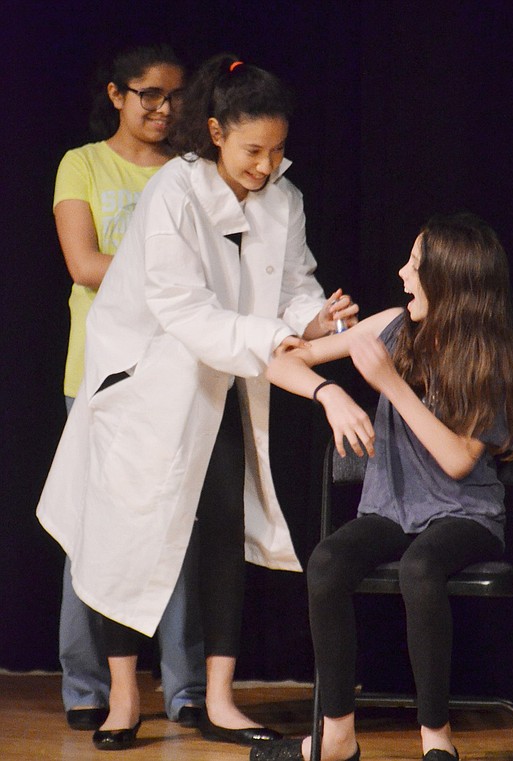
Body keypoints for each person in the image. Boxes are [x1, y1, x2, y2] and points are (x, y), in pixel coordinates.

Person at [37, 52, 359, 751]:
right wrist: (281, 338)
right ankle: (123, 697)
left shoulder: (284, 197)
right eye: (252, 150)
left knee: (219, 534)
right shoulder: (173, 194)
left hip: (225, 383)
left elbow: (294, 282)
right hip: (146, 381)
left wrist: (315, 319)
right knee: (128, 535)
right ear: (214, 131)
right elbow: (184, 310)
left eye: (277, 150)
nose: (266, 165)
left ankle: (217, 697)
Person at [251, 212, 513, 761]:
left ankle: (438, 741)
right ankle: (336, 738)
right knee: (328, 563)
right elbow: (280, 363)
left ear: (449, 281)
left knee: (421, 567)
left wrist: (388, 383)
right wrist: (329, 395)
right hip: (391, 510)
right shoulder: (391, 326)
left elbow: (458, 460)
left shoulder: (492, 356)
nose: (403, 273)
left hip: (465, 515)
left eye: (415, 264)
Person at [52, 44, 207, 731]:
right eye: (148, 94)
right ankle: (86, 686)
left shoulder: (190, 172)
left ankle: (185, 688)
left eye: (174, 96)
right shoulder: (82, 164)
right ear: (116, 94)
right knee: (94, 532)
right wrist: (167, 276)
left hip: (178, 371)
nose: (163, 108)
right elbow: (85, 263)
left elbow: (209, 271)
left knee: (176, 531)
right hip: (99, 371)